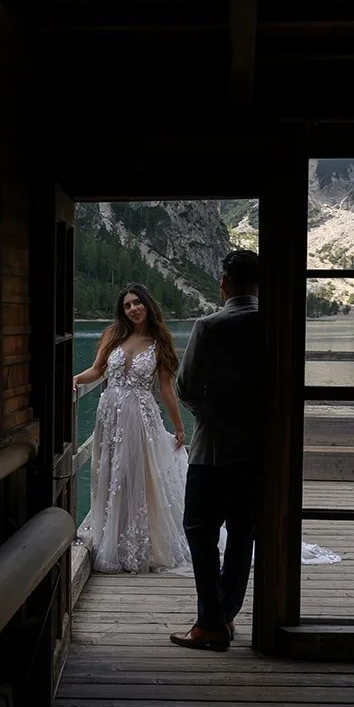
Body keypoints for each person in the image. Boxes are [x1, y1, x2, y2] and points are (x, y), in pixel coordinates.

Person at [169, 250, 264, 651]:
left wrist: (209, 415)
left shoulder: (208, 326)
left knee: (199, 530)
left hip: (213, 450)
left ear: (223, 283)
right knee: (243, 533)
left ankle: (211, 622)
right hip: (261, 450)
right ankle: (225, 615)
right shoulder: (275, 324)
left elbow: (186, 388)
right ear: (260, 284)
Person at [73, 284, 192, 574]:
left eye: (137, 302)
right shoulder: (113, 336)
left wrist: (178, 427)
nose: (133, 309)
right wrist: (74, 379)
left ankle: (139, 544)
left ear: (147, 305)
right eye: (127, 306)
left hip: (139, 417)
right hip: (109, 417)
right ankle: (114, 540)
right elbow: (97, 371)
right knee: (113, 476)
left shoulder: (159, 342)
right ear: (122, 311)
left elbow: (165, 389)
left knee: (136, 475)